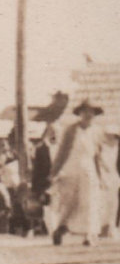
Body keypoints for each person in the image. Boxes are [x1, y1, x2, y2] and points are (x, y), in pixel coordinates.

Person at [50, 102, 112, 246]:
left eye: (91, 112)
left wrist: (100, 175)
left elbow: (97, 155)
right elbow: (62, 152)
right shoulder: (71, 130)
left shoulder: (97, 132)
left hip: (88, 169)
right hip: (71, 168)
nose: (88, 115)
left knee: (90, 200)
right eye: (85, 112)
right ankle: (61, 228)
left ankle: (89, 234)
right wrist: (54, 171)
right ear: (80, 114)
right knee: (69, 202)